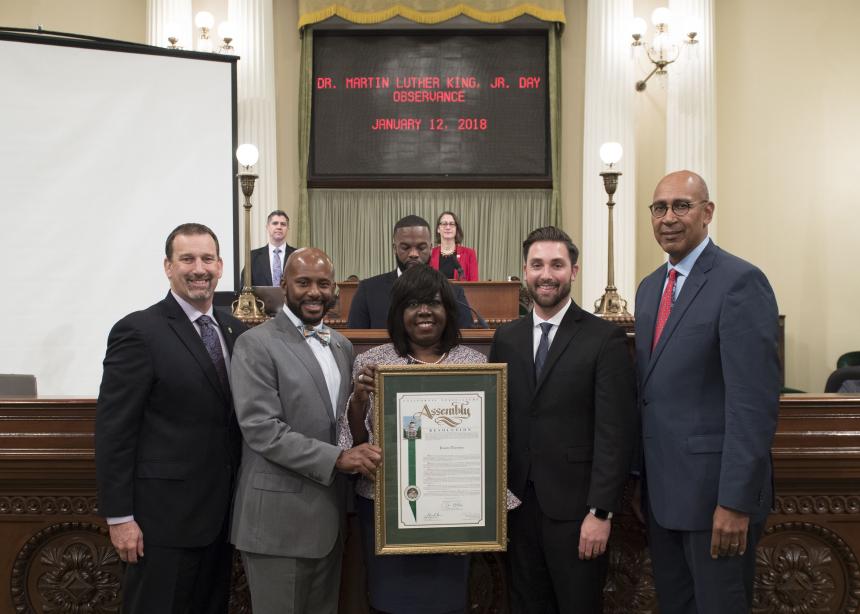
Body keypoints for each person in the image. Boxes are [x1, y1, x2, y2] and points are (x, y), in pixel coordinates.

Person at [634, 170, 780, 614]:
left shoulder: (740, 281)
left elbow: (752, 406)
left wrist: (734, 502)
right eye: (660, 208)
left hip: (717, 502)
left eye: (682, 206)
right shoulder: (648, 289)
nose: (669, 218)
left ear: (708, 212)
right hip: (663, 497)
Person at [95, 222, 247, 614]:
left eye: (207, 259)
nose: (199, 268)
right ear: (168, 266)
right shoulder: (139, 331)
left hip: (222, 520)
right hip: (160, 525)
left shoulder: (234, 329)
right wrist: (120, 517)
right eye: (187, 259)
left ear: (221, 266)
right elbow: (114, 430)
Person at [489, 226, 637, 613]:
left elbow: (615, 433)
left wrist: (600, 512)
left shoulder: (604, 339)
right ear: (525, 271)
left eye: (557, 264)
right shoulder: (507, 338)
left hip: (578, 513)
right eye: (537, 265)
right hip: (516, 509)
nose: (546, 274)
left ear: (574, 271)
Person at [229, 247, 382, 614]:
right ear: (284, 286)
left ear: (335, 290)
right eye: (303, 283)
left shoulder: (342, 346)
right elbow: (262, 429)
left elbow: (341, 423)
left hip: (329, 523)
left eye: (323, 283)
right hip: (278, 526)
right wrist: (340, 458)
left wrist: (359, 402)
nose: (314, 292)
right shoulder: (255, 343)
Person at [341, 265, 502, 614]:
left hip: (453, 510)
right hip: (387, 510)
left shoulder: (474, 364)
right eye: (413, 304)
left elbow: (489, 444)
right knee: (389, 602)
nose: (424, 311)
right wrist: (359, 399)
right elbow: (353, 441)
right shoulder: (372, 362)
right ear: (399, 314)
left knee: (447, 602)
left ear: (448, 310)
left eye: (434, 302)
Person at [347, 215, 474, 329]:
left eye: (421, 248)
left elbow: (465, 345)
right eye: (405, 248)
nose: (413, 254)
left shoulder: (454, 294)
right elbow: (357, 343)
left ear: (430, 249)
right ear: (394, 248)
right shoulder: (368, 291)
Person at [244, 210, 296, 286]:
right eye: (275, 223)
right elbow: (244, 288)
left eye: (283, 224)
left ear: (288, 228)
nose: (279, 227)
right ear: (267, 227)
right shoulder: (253, 257)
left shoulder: (297, 255)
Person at [430, 211, 478, 281]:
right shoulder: (430, 254)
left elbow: (475, 285)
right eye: (444, 224)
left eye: (452, 224)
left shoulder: (469, 254)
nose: (448, 227)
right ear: (438, 229)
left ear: (456, 229)